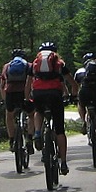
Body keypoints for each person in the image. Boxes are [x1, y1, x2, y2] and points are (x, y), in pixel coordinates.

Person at [27, 41, 75, 175]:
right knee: (59, 130)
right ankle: (64, 162)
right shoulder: (59, 64)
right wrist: (73, 96)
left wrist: (27, 98)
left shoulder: (34, 64)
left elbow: (28, 83)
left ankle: (37, 133)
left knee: (38, 111)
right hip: (55, 94)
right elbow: (72, 83)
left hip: (38, 94)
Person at [0, 48, 34, 153]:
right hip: (24, 93)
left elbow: (2, 85)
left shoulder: (7, 66)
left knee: (9, 116)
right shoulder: (29, 65)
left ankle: (11, 140)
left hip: (11, 93)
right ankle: (29, 138)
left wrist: (5, 100)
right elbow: (32, 81)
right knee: (31, 115)